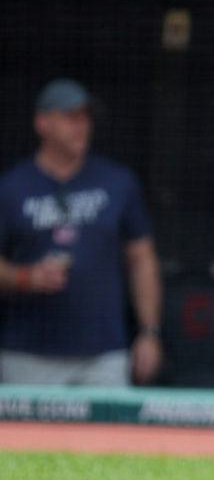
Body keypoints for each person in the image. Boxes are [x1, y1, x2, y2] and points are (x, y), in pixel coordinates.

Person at [0, 78, 162, 386]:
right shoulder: (11, 188)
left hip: (103, 355)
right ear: (43, 123)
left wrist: (149, 333)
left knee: (111, 434)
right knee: (25, 437)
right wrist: (25, 277)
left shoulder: (117, 182)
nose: (81, 126)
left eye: (85, 118)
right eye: (70, 117)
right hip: (28, 355)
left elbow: (142, 259)